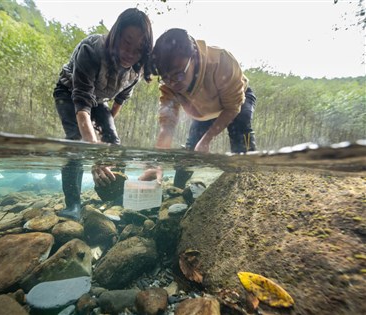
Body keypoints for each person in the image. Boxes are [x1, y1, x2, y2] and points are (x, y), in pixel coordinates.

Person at [53, 8, 153, 220]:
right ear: (116, 34)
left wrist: (103, 133)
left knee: (114, 144)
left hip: (100, 101)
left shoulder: (137, 68)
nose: (131, 53)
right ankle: (73, 205)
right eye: (127, 42)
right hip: (70, 91)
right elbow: (82, 109)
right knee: (76, 143)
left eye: (139, 49)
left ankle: (115, 193)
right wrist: (95, 155)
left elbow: (119, 100)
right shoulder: (92, 50)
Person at [151, 28, 257, 188]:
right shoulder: (170, 84)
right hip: (204, 110)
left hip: (236, 101)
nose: (172, 83)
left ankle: (247, 182)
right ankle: (178, 188)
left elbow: (232, 108)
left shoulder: (221, 61)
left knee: (240, 132)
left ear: (192, 58)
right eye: (166, 77)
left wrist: (207, 139)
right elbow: (167, 127)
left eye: (178, 75)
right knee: (192, 148)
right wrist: (156, 166)